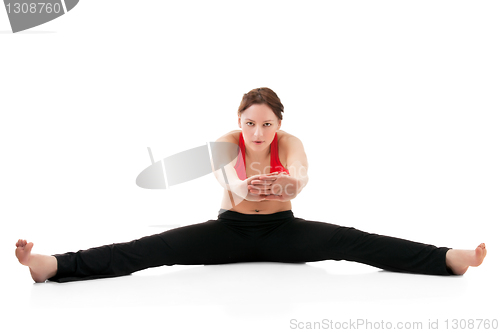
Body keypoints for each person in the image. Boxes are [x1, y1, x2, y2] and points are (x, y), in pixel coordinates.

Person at [15, 87, 487, 283]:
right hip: (229, 231)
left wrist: (284, 188)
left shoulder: (291, 141)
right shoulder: (226, 142)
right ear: (238, 123)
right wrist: (249, 189)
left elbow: (301, 178)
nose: (256, 133)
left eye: (264, 124)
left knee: (353, 241)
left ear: (278, 123)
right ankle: (53, 266)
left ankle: (448, 259)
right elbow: (230, 184)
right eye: (249, 123)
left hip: (285, 232)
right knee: (150, 248)